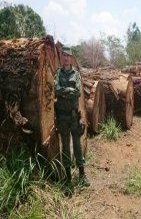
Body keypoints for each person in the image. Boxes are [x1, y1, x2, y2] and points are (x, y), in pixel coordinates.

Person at [54, 46, 90, 190]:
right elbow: (55, 89)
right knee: (65, 147)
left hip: (74, 116)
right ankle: (67, 176)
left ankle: (82, 174)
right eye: (64, 56)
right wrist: (68, 90)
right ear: (62, 58)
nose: (66, 58)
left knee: (77, 145)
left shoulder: (76, 74)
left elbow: (78, 93)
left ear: (71, 58)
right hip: (62, 117)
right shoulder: (57, 74)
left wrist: (65, 91)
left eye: (68, 56)